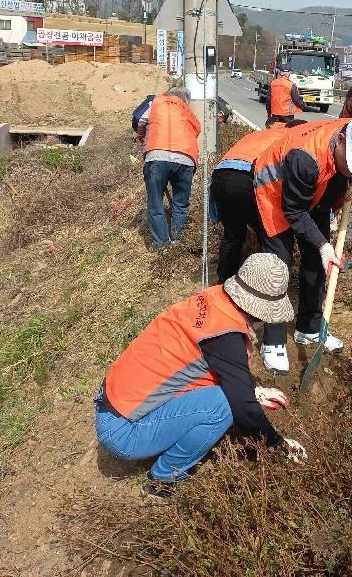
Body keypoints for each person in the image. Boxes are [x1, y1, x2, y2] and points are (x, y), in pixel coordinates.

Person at [95, 253, 307, 497]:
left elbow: (218, 365)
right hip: (122, 432)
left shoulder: (214, 299)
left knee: (227, 394)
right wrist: (279, 446)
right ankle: (163, 480)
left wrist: (254, 390)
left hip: (114, 401)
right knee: (225, 406)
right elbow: (243, 409)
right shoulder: (225, 337)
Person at [251, 116, 352, 374]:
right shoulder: (305, 157)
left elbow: (345, 167)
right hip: (273, 192)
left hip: (317, 186)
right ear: (340, 141)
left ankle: (309, 329)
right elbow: (293, 211)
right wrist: (323, 244)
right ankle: (272, 341)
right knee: (279, 264)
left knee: (316, 260)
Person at [209, 121, 306, 283]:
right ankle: (266, 286)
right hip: (252, 178)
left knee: (232, 236)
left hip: (222, 175)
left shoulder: (259, 134)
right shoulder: (292, 137)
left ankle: (223, 283)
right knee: (270, 235)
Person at [137, 86, 201, 247]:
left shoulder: (156, 102)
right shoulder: (188, 111)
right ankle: (176, 240)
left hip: (157, 156)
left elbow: (139, 119)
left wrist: (140, 134)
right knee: (181, 201)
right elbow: (196, 130)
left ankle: (161, 243)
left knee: (155, 201)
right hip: (186, 158)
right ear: (186, 100)